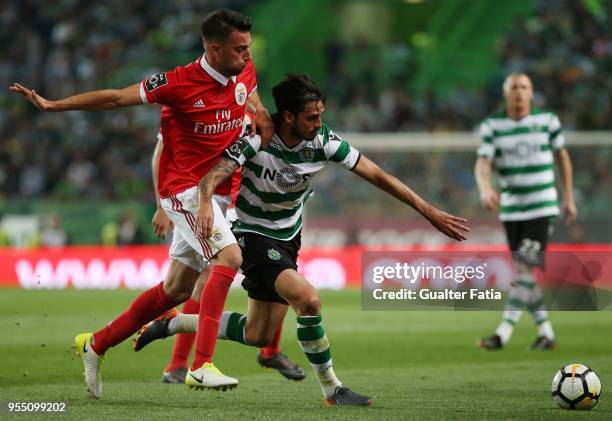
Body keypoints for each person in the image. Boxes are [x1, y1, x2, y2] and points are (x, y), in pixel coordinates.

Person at [134, 74, 469, 406]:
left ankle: (170, 324)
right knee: (309, 300)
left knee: (257, 334)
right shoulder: (257, 140)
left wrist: (427, 210)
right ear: (289, 117)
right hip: (250, 234)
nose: (319, 123)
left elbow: (378, 175)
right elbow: (212, 175)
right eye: (312, 117)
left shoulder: (324, 141)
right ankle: (332, 390)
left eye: (321, 115)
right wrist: (203, 203)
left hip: (288, 238)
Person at [11, 9, 275, 398]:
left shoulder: (242, 72)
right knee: (229, 259)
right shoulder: (178, 82)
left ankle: (96, 343)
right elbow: (116, 98)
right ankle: (200, 365)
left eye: (248, 48)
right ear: (214, 49)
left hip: (217, 193)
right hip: (183, 189)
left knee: (176, 290)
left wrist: (262, 111)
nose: (247, 56)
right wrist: (54, 106)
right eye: (239, 50)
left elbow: (249, 92)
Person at [147, 113, 305, 384]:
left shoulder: (254, 116)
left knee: (280, 272)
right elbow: (161, 152)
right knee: (202, 280)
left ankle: (269, 350)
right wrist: (161, 205)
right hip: (209, 201)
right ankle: (178, 363)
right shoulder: (199, 107)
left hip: (244, 205)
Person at [475, 72, 577, 351]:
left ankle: (502, 334)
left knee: (523, 269)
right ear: (505, 94)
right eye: (514, 88)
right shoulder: (492, 126)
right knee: (526, 276)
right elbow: (483, 163)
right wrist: (485, 188)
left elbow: (562, 158)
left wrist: (568, 197)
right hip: (511, 210)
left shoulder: (547, 121)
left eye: (524, 87)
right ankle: (546, 333)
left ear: (531, 93)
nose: (519, 92)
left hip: (542, 207)